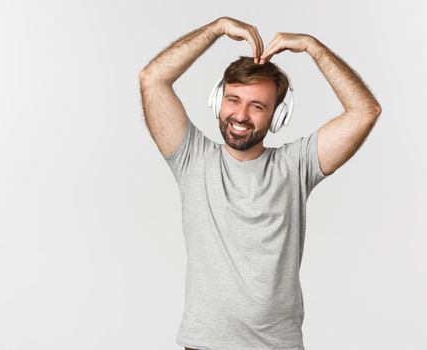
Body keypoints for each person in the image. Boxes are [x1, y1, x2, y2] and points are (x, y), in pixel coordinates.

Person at [139, 16, 381, 350]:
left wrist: (314, 48)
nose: (240, 116)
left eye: (257, 106)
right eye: (233, 100)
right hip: (205, 345)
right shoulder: (192, 158)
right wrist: (215, 29)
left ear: (278, 116)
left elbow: (364, 111)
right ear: (217, 100)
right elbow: (152, 79)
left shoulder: (295, 166)